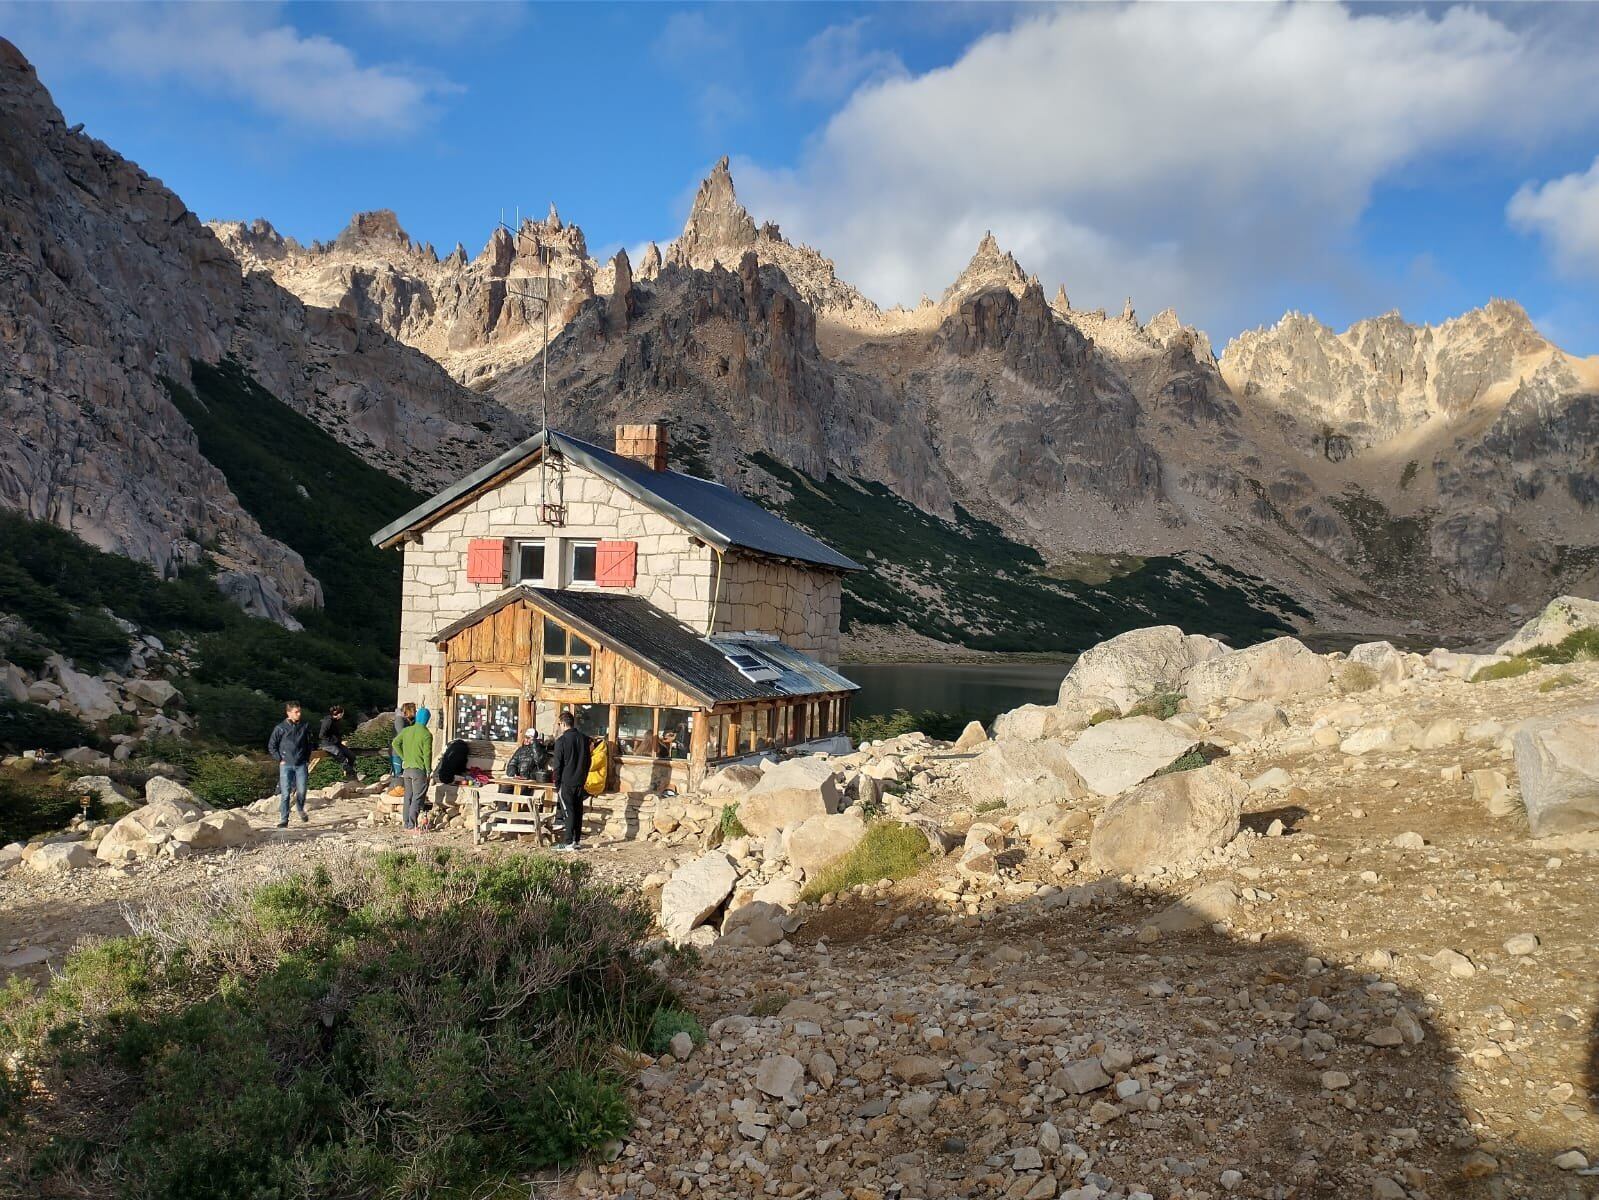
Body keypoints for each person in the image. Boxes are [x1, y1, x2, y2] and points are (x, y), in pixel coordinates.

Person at [267, 700, 315, 828]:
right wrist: (279, 758)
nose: (299, 714)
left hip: (301, 764)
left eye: (300, 711)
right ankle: (284, 819)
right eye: (296, 712)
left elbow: (309, 744)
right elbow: (272, 745)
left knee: (302, 790)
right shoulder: (280, 728)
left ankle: (300, 809)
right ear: (288, 713)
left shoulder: (304, 726)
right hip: (286, 764)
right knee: (285, 793)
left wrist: (307, 758)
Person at [550, 710, 591, 851]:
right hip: (580, 779)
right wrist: (584, 777)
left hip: (566, 781)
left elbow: (557, 765)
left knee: (568, 811)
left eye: (559, 724)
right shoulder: (584, 739)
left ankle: (568, 842)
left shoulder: (561, 741)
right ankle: (576, 840)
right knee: (578, 810)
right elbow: (588, 761)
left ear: (562, 724)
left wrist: (557, 783)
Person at [391, 706, 433, 832]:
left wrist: (404, 756)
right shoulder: (426, 734)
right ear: (427, 720)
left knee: (408, 796)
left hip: (407, 769)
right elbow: (427, 754)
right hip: (419, 770)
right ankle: (412, 824)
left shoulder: (407, 730)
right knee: (417, 797)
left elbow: (395, 743)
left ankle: (406, 822)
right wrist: (428, 770)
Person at [318, 704, 359, 782]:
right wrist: (331, 740)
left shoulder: (337, 721)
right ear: (339, 714)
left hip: (337, 743)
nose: (343, 715)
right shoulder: (328, 721)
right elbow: (321, 735)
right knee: (342, 758)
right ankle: (351, 774)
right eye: (342, 713)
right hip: (328, 744)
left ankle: (349, 773)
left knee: (352, 756)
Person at [390, 702, 415, 784]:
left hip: (402, 752)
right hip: (397, 753)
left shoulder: (405, 720)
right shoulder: (400, 720)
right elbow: (401, 736)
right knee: (399, 776)